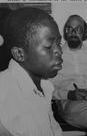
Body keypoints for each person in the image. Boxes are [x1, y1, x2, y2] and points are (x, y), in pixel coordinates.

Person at [0, 8, 63, 136]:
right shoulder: (4, 93)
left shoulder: (45, 86)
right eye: (48, 46)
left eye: (59, 43)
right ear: (19, 54)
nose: (59, 51)